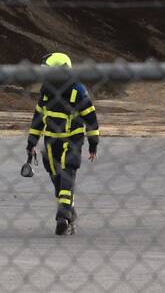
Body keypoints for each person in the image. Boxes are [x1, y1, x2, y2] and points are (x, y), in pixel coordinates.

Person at [26, 52, 100, 236]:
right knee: (58, 180)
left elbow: (91, 119)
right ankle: (69, 211)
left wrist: (93, 144)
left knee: (67, 173)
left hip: (72, 140)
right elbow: (38, 119)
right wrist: (31, 143)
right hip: (50, 142)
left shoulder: (78, 91)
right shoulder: (46, 91)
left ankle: (63, 215)